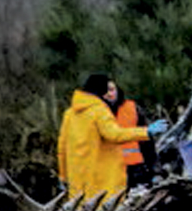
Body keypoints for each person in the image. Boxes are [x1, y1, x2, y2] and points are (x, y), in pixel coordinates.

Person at [57, 73, 167, 201]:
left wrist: (63, 176)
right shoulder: (99, 110)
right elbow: (114, 135)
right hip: (103, 183)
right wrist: (146, 132)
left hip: (78, 184)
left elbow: (62, 149)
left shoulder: (69, 114)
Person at [107, 83, 152, 188]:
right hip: (110, 171)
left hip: (137, 168)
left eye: (111, 90)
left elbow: (147, 141)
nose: (109, 94)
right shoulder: (95, 114)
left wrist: (154, 169)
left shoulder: (132, 107)